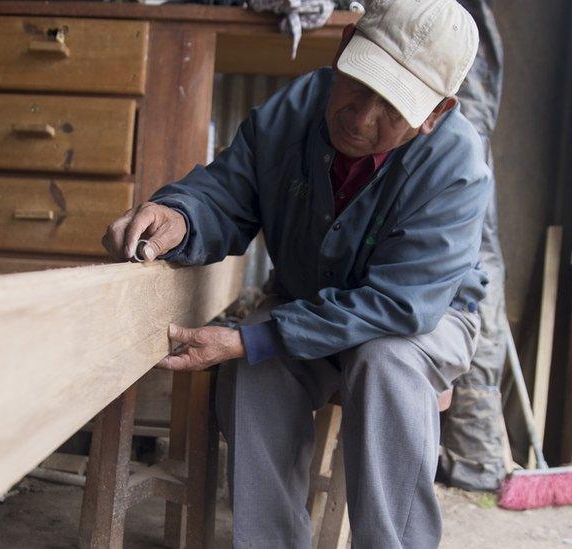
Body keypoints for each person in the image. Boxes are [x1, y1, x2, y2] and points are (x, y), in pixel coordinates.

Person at [102, 0, 491, 545]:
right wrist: (180, 216)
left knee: (385, 362)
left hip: (421, 321)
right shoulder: (294, 109)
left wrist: (252, 338)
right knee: (255, 371)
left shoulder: (457, 164)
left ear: (436, 112)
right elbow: (228, 194)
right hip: (307, 298)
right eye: (359, 83)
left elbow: (402, 305)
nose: (360, 117)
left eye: (392, 107)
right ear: (342, 47)